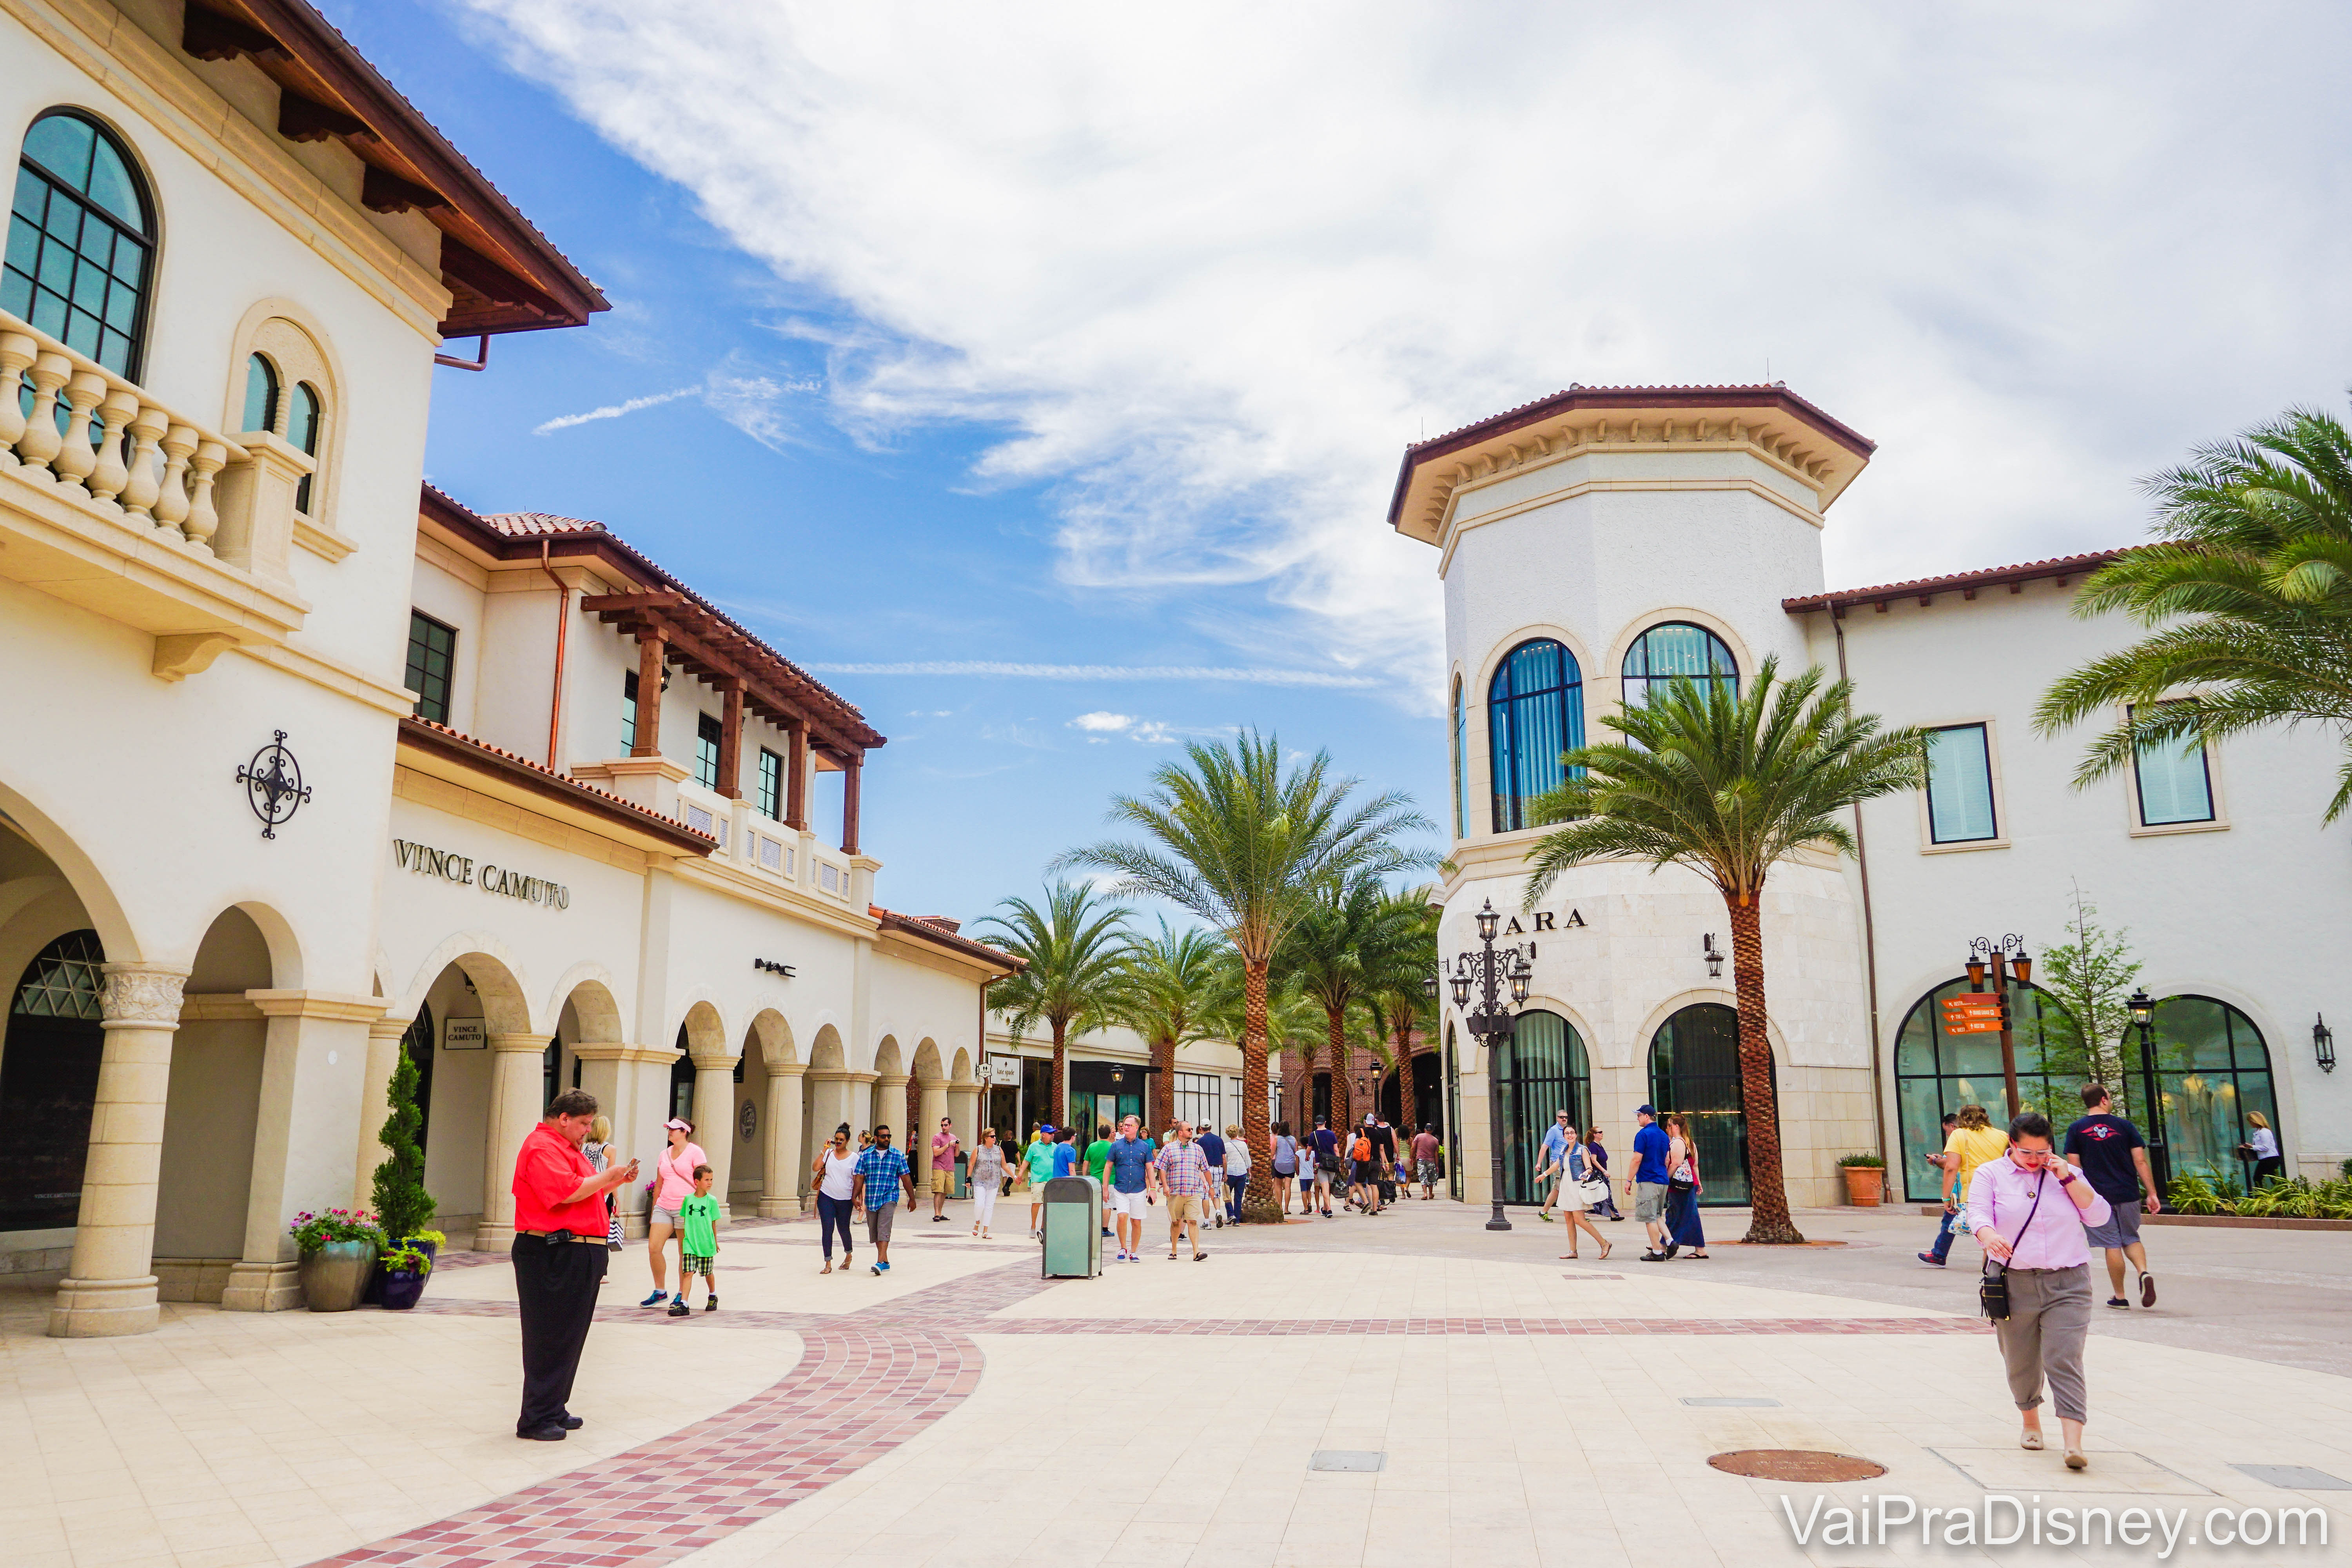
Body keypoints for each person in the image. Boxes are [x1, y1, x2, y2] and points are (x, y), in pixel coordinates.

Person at [1967, 1110, 2113, 1471]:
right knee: (2021, 1361)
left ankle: (2072, 1444)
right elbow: (1978, 1214)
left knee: (2064, 1358)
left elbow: (2099, 1217)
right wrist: (1989, 1237)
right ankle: (2030, 1421)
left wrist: (2065, 1176)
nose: (2034, 1161)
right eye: (2027, 1153)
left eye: (2042, 1153)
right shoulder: (1991, 1174)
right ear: (2012, 1146)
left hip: (2069, 1281)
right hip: (2014, 1282)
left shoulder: (2066, 1174)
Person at [508, 1088, 639, 1440]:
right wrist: (610, 1176)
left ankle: (553, 1406)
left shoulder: (568, 1149)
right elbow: (566, 1192)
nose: (587, 1130)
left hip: (576, 1252)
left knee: (569, 1335)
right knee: (550, 1334)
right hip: (552, 1252)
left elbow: (584, 1193)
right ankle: (536, 1418)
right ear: (563, 1118)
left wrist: (613, 1182)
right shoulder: (542, 1146)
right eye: (583, 1124)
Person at [2064, 1085, 2162, 1310]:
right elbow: (2140, 1161)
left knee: (2112, 1245)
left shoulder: (2076, 1129)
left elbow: (2074, 1167)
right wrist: (2152, 1193)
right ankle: (2143, 1272)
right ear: (2104, 1100)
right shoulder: (2124, 1126)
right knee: (2131, 1237)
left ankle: (2120, 1297)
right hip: (2127, 1193)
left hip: (2097, 1198)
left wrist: (2076, 1196)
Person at [1922, 1105, 2009, 1267]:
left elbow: (1951, 1167)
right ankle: (2000, 1274)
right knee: (1999, 1235)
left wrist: (1946, 1198)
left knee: (1987, 1239)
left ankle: (1991, 1279)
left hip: (1976, 1194)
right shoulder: (2003, 1135)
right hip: (2003, 1191)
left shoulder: (1959, 1135)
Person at [641, 1117, 707, 1308]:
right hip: (664, 1206)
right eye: (669, 1129)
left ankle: (681, 1293)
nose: (670, 1132)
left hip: (686, 1208)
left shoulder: (696, 1152)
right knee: (654, 1248)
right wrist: (654, 1210)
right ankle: (660, 1291)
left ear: (684, 1132)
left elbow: (703, 1181)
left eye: (674, 1129)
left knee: (683, 1252)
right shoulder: (664, 1154)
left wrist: (700, 1207)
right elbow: (659, 1183)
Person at [851, 1123, 917, 1274]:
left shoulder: (897, 1155)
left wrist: (912, 1199)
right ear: (876, 1138)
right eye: (883, 1136)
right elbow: (860, 1177)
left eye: (889, 1136)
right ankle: (885, 1261)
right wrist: (855, 1197)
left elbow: (906, 1177)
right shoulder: (866, 1156)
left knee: (884, 1228)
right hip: (872, 1198)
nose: (887, 1139)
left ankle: (880, 1262)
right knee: (874, 1232)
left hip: (889, 1196)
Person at [1149, 1119, 1213, 1261]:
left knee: (1193, 1221)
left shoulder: (1198, 1149)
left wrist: (1211, 1186)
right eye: (1189, 1129)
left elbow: (1205, 1169)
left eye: (1191, 1129)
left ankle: (1197, 1252)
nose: (1192, 1131)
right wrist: (1164, 1185)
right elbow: (1162, 1168)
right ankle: (1174, 1250)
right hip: (1175, 1192)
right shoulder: (1169, 1149)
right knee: (1176, 1222)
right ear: (1180, 1133)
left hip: (1193, 1192)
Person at [1553, 1123, 1612, 1260]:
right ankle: (1573, 1251)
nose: (1570, 1135)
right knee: (1568, 1219)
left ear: (1576, 1134)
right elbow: (1558, 1164)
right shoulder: (1564, 1150)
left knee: (1579, 1219)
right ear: (1564, 1136)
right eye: (1567, 1133)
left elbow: (1589, 1167)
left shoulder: (1582, 1150)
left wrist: (1586, 1172)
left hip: (1577, 1185)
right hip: (1566, 1185)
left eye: (1572, 1133)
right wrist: (1544, 1175)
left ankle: (1604, 1243)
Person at [670, 1165, 722, 1315]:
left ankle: (713, 1295)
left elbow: (713, 1223)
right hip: (690, 1243)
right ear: (697, 1181)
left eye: (711, 1180)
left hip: (706, 1243)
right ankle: (684, 1304)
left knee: (708, 1273)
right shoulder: (688, 1200)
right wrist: (684, 1240)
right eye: (707, 1180)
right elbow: (685, 1220)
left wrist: (715, 1241)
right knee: (688, 1272)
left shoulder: (712, 1201)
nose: (710, 1183)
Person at [1105, 1115, 1156, 1261]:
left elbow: (1150, 1168)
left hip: (1139, 1189)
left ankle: (1134, 1251)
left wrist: (1153, 1188)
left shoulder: (1145, 1147)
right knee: (1122, 1217)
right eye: (1124, 1125)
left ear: (1137, 1128)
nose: (1126, 1127)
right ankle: (1123, 1247)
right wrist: (1106, 1188)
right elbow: (1108, 1166)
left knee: (1136, 1221)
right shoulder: (1116, 1146)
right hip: (1121, 1189)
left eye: (1129, 1125)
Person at [1628, 1105, 1673, 1260]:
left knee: (1649, 1218)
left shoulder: (1643, 1135)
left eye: (1639, 1115)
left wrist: (1629, 1180)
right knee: (1656, 1214)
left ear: (1647, 1117)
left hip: (1648, 1180)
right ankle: (1670, 1240)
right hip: (1662, 1180)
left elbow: (1637, 1159)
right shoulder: (1663, 1135)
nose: (1638, 1119)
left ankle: (1657, 1252)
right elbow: (1667, 1160)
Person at [813, 1123, 858, 1275]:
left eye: (841, 1140)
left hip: (845, 1199)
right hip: (826, 1196)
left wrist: (858, 1199)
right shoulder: (829, 1154)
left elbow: (858, 1180)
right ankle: (828, 1262)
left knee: (843, 1229)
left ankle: (849, 1254)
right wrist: (825, 1149)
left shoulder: (854, 1158)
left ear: (847, 1141)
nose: (838, 1142)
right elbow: (816, 1167)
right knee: (827, 1228)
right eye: (836, 1139)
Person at [1662, 1113, 1708, 1259]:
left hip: (1679, 1185)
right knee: (1682, 1213)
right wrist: (1698, 1182)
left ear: (1676, 1127)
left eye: (1669, 1125)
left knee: (1679, 1214)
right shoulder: (1690, 1143)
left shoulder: (1677, 1143)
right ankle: (1664, 1244)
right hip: (1689, 1184)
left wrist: (1665, 1179)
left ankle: (1665, 1245)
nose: (1667, 1129)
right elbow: (1695, 1165)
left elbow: (1675, 1164)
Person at [583, 1115, 624, 1253]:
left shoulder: (581, 1146)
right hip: (603, 1194)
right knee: (601, 1232)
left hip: (583, 1191)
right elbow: (612, 1176)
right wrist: (617, 1200)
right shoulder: (610, 1149)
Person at [967, 1127, 1006, 1239]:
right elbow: (972, 1165)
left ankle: (986, 1230)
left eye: (995, 1136)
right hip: (980, 1180)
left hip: (994, 1181)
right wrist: (968, 1178)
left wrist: (1014, 1176)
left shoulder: (999, 1150)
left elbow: (1004, 1165)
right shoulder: (978, 1149)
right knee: (980, 1204)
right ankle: (977, 1222)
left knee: (990, 1206)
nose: (995, 1138)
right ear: (985, 1138)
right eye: (992, 1136)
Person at [1536, 1109, 1573, 1223]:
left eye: (1566, 1117)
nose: (1564, 1119)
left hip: (1567, 1163)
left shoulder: (1568, 1131)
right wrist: (1539, 1163)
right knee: (1559, 1188)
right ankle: (1576, 1214)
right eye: (1562, 1117)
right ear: (1557, 1118)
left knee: (1559, 1189)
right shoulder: (1553, 1131)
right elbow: (1545, 1147)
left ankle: (1543, 1212)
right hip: (1557, 1164)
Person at [1024, 1123, 1059, 1235]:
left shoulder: (1055, 1147)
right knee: (1036, 1203)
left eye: (1053, 1133)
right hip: (1038, 1179)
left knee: (1048, 1205)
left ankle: (1043, 1228)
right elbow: (1026, 1161)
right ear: (1043, 1135)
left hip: (1051, 1181)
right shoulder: (1034, 1147)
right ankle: (1033, 1226)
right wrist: (1020, 1175)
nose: (1052, 1135)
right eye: (1050, 1134)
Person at [1084, 1122, 1115, 1235]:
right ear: (1109, 1135)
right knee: (1107, 1205)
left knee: (1095, 1204)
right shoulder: (1113, 1147)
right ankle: (1105, 1229)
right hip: (1110, 1180)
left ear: (1099, 1135)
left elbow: (1086, 1163)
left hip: (1094, 1180)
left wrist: (1085, 1177)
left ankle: (1095, 1228)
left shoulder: (1092, 1146)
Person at [1196, 1122, 1227, 1228]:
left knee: (1205, 1195)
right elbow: (1224, 1158)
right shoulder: (1219, 1140)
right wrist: (1225, 1173)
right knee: (1216, 1193)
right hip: (1218, 1168)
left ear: (1201, 1129)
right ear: (1211, 1127)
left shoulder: (1200, 1141)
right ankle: (1218, 1211)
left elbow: (1198, 1158)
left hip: (1206, 1170)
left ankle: (1207, 1221)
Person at [929, 1116, 960, 1222]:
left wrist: (957, 1145)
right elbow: (936, 1153)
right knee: (938, 1190)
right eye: (942, 1125)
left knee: (946, 1191)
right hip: (939, 1167)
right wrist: (947, 1145)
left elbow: (957, 1155)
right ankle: (936, 1214)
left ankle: (940, 1213)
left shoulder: (953, 1137)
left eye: (946, 1125)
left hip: (950, 1167)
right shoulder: (937, 1137)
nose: (944, 1127)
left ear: (950, 1126)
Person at [1586, 1128, 1621, 1220]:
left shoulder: (1599, 1145)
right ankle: (1613, 1214)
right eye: (1600, 1132)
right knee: (1604, 1193)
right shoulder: (1593, 1146)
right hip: (1598, 1174)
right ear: (1595, 1135)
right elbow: (1594, 1160)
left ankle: (1613, 1214)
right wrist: (1604, 1171)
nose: (1602, 1134)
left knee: (1605, 1194)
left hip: (1601, 1173)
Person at [1309, 1116, 1340, 1217]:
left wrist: (1306, 1156)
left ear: (1316, 1123)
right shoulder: (1331, 1134)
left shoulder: (1313, 1135)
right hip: (1332, 1164)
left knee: (1325, 1187)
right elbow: (1336, 1150)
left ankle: (1329, 1209)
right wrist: (1338, 1163)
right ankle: (1325, 1208)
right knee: (1329, 1187)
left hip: (1321, 1164)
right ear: (1325, 1122)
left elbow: (1309, 1150)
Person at [1348, 1122, 1381, 1214]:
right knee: (1374, 1185)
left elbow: (1356, 1145)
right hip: (1376, 1161)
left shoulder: (1361, 1132)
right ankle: (1374, 1209)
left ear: (1365, 1122)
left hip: (1364, 1161)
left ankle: (1366, 1202)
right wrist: (1385, 1163)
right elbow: (1381, 1150)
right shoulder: (1378, 1133)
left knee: (1358, 1183)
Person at [1221, 1122, 1251, 1223]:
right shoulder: (1243, 1145)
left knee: (1227, 1195)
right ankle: (1237, 1220)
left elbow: (1225, 1160)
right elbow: (1247, 1160)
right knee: (1238, 1197)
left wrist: (1224, 1173)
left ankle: (1231, 1215)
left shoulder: (1226, 1146)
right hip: (1242, 1172)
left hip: (1230, 1172)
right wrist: (1249, 1172)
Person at [2243, 1111, 2284, 1183]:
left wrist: (2252, 1146)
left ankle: (2261, 1194)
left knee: (2258, 1178)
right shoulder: (2258, 1132)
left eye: (2251, 1122)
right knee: (2272, 1179)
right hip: (2265, 1159)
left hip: (2270, 1158)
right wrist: (2249, 1147)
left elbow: (2266, 1147)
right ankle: (2281, 1192)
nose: (2250, 1124)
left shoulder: (2264, 1132)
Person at [1272, 1122, 1299, 1215]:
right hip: (1290, 1164)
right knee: (1288, 1186)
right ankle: (1287, 1209)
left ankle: (1280, 1206)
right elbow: (1297, 1154)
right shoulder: (1293, 1139)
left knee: (1278, 1185)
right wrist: (1297, 1167)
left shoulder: (1277, 1139)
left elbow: (1273, 1153)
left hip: (1279, 1164)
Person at [1410, 1123, 1441, 1200]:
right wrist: (1437, 1165)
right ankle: (1430, 1194)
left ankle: (1425, 1194)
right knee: (1431, 1177)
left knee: (1423, 1176)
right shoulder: (1435, 1140)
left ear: (1425, 1130)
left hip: (1421, 1160)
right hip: (1431, 1161)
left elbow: (1413, 1148)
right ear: (1432, 1131)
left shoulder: (1419, 1137)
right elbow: (1436, 1154)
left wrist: (1411, 1158)